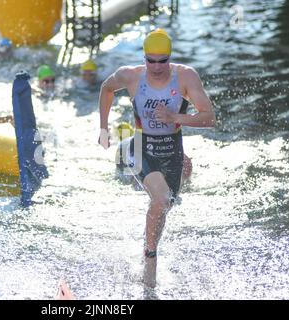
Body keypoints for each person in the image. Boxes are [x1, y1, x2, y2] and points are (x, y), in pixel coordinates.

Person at [97, 28, 215, 288]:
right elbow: (106, 89)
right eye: (152, 60)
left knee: (164, 206)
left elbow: (209, 117)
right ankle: (150, 259)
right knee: (160, 198)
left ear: (170, 59)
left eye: (163, 61)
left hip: (172, 148)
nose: (157, 66)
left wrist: (176, 118)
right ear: (144, 58)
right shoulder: (130, 76)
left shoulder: (185, 77)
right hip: (141, 145)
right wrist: (104, 128)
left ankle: (148, 250)